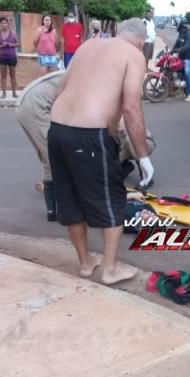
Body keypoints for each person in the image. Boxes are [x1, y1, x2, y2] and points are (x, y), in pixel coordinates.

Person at [48, 18, 154, 285]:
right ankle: (109, 270)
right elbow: (131, 108)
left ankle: (85, 265)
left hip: (57, 130)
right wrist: (142, 155)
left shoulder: (88, 45)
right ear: (141, 41)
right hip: (89, 136)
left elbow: (59, 91)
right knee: (112, 200)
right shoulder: (133, 55)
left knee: (70, 202)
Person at [15, 71, 156, 222]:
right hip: (38, 105)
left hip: (31, 101)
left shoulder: (101, 77)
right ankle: (62, 208)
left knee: (50, 155)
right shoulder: (107, 90)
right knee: (56, 154)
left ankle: (54, 209)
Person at [170, 21, 190, 102]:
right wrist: (171, 51)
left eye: (181, 28)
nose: (180, 30)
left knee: (187, 73)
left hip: (188, 58)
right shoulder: (181, 34)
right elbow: (177, 44)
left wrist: (177, 50)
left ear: (184, 27)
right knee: (171, 66)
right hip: (181, 57)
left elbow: (187, 46)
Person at [0, 16, 18, 99]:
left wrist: (11, 45)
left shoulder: (13, 33)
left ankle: (14, 93)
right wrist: (1, 45)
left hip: (12, 57)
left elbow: (18, 44)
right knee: (3, 76)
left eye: (5, 23)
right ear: (0, 24)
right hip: (2, 57)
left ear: (8, 24)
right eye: (2, 23)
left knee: (13, 75)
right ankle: (4, 93)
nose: (4, 24)